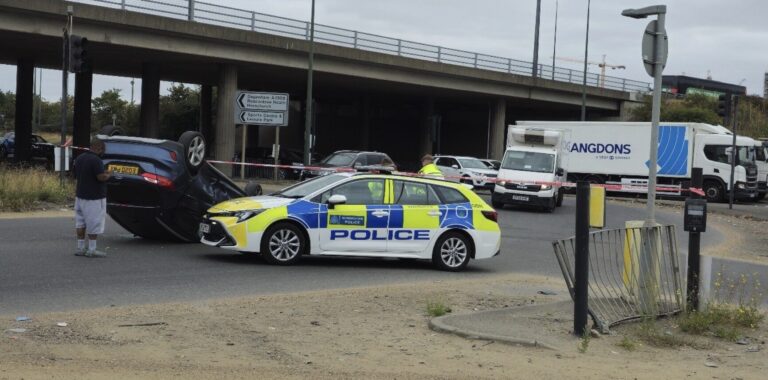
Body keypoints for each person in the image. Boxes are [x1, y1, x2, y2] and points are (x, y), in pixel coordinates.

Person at [73, 137, 112, 257]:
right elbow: (100, 177)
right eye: (103, 149)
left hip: (80, 196)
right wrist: (109, 174)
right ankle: (92, 249)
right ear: (99, 148)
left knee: (80, 223)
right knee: (94, 223)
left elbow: (75, 175)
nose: (104, 152)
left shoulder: (80, 158)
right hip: (94, 198)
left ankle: (80, 248)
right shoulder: (96, 160)